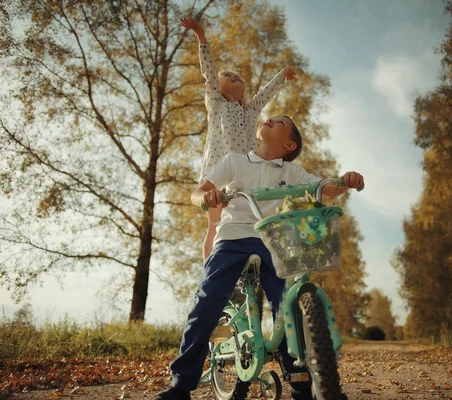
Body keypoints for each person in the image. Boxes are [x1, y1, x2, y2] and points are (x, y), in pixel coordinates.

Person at [155, 115, 363, 399]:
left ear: (288, 143)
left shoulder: (291, 171)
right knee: (208, 299)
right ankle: (182, 384)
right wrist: (206, 198)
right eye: (270, 118)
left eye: (278, 122)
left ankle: (301, 381)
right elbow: (198, 191)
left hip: (273, 239)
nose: (269, 119)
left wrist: (346, 181)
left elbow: (325, 187)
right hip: (233, 237)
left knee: (286, 304)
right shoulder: (234, 161)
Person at [180, 16, 297, 261]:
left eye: (239, 76)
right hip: (217, 170)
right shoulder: (217, 103)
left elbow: (265, 94)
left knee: (247, 222)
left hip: (244, 174)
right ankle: (209, 269)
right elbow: (209, 73)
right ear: (218, 87)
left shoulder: (250, 110)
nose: (236, 76)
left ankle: (247, 270)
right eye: (228, 76)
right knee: (215, 223)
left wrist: (281, 76)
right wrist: (201, 37)